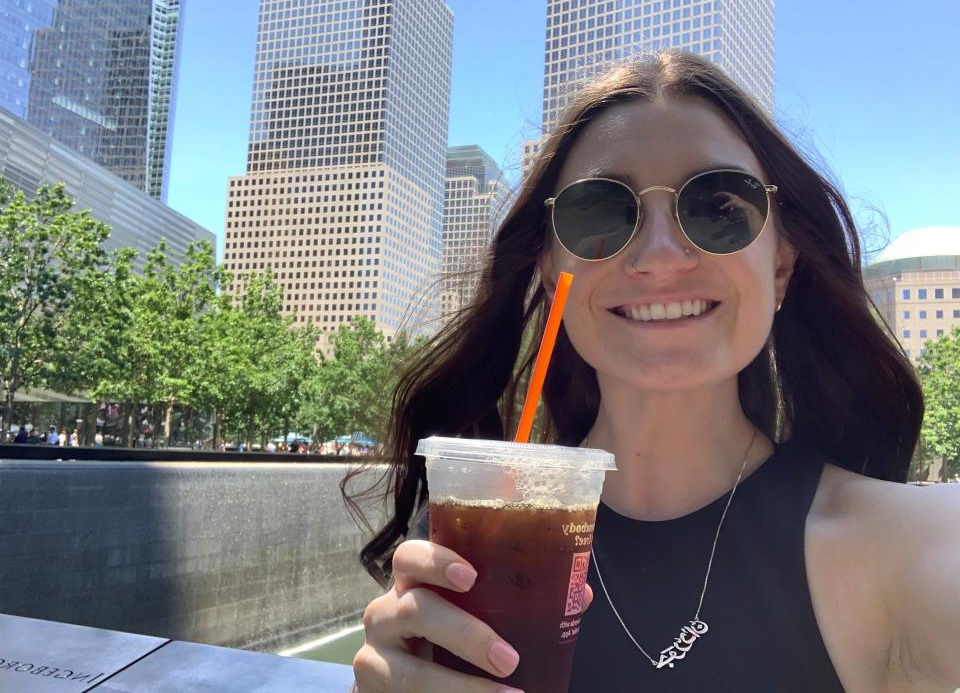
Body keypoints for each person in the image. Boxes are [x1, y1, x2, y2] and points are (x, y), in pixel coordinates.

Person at [349, 52, 960, 692]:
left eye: (719, 208)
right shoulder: (475, 531)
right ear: (551, 266)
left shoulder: (904, 547)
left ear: (780, 261)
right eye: (600, 213)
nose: (660, 256)